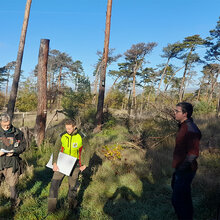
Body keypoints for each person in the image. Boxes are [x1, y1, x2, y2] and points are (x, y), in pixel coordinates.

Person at [48, 119, 86, 213]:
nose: (67, 130)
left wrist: (85, 164)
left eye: (69, 128)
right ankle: (51, 210)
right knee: (54, 185)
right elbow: (56, 149)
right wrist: (54, 163)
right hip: (61, 164)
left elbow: (88, 150)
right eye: (66, 128)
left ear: (74, 127)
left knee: (72, 187)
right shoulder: (62, 135)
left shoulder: (81, 136)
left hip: (75, 165)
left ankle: (72, 208)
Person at [171, 102, 202, 220]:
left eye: (177, 111)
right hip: (182, 168)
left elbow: (193, 154)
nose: (174, 113)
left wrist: (181, 168)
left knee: (178, 200)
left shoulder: (190, 129)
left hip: (185, 170)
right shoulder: (183, 126)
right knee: (184, 197)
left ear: (185, 114)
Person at [0, 113, 26, 209]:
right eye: (4, 125)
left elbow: (23, 146)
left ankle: (14, 208)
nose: (7, 126)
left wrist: (14, 151)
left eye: (8, 124)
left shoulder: (17, 133)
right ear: (0, 122)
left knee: (13, 186)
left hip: (12, 163)